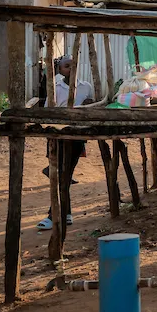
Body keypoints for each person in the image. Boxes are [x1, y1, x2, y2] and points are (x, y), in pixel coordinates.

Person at [38, 54, 94, 231]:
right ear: (60, 70)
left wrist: (89, 106)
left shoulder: (86, 87)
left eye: (74, 65)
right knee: (61, 175)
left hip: (76, 138)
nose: (71, 69)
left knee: (65, 175)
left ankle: (59, 214)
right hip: (57, 137)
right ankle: (60, 214)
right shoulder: (54, 88)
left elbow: (91, 108)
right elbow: (48, 111)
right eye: (67, 66)